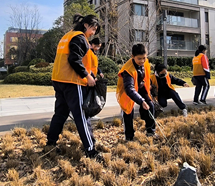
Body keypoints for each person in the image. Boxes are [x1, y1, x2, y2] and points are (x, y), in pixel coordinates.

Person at [45, 14, 102, 161]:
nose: (93, 33)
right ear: (86, 25)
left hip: (58, 79)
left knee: (60, 113)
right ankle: (91, 151)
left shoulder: (67, 36)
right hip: (72, 82)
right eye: (93, 29)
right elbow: (74, 59)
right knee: (82, 116)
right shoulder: (80, 37)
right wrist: (87, 76)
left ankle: (50, 143)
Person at [116, 44, 156, 141]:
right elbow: (129, 89)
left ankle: (151, 131)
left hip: (141, 88)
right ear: (132, 56)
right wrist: (141, 101)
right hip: (127, 92)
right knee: (128, 112)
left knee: (150, 105)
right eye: (139, 59)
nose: (142, 61)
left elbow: (146, 76)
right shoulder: (128, 70)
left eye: (144, 58)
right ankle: (129, 136)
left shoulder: (145, 63)